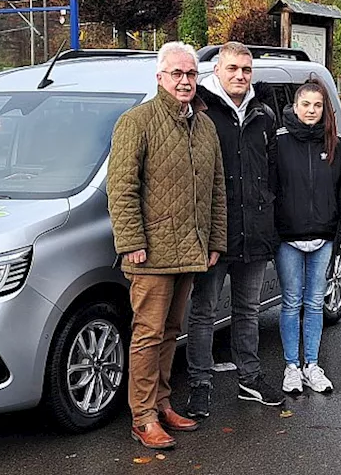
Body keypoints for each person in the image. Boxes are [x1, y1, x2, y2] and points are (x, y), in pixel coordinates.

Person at [107, 41, 226, 450]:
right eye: (176, 73)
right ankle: (142, 417)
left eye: (191, 74)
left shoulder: (205, 125)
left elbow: (216, 190)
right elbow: (121, 189)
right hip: (151, 253)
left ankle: (162, 403)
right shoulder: (136, 122)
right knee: (148, 334)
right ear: (160, 77)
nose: (184, 81)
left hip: (189, 250)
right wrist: (132, 242)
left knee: (171, 331)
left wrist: (214, 240)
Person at [185, 42, 283, 419]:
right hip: (215, 233)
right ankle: (200, 384)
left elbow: (272, 171)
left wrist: (270, 215)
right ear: (217, 71)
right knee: (204, 310)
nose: (239, 75)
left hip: (255, 230)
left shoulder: (263, 114)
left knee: (247, 308)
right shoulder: (201, 110)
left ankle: (250, 377)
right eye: (232, 69)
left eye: (245, 69)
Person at [274, 80, 341, 395]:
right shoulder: (278, 142)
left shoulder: (337, 145)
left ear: (325, 109)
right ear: (296, 106)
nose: (311, 110)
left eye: (318, 105)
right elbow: (269, 191)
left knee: (313, 303)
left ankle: (312, 364)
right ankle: (291, 367)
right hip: (288, 240)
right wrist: (272, 236)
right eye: (306, 104)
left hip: (323, 240)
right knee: (291, 302)